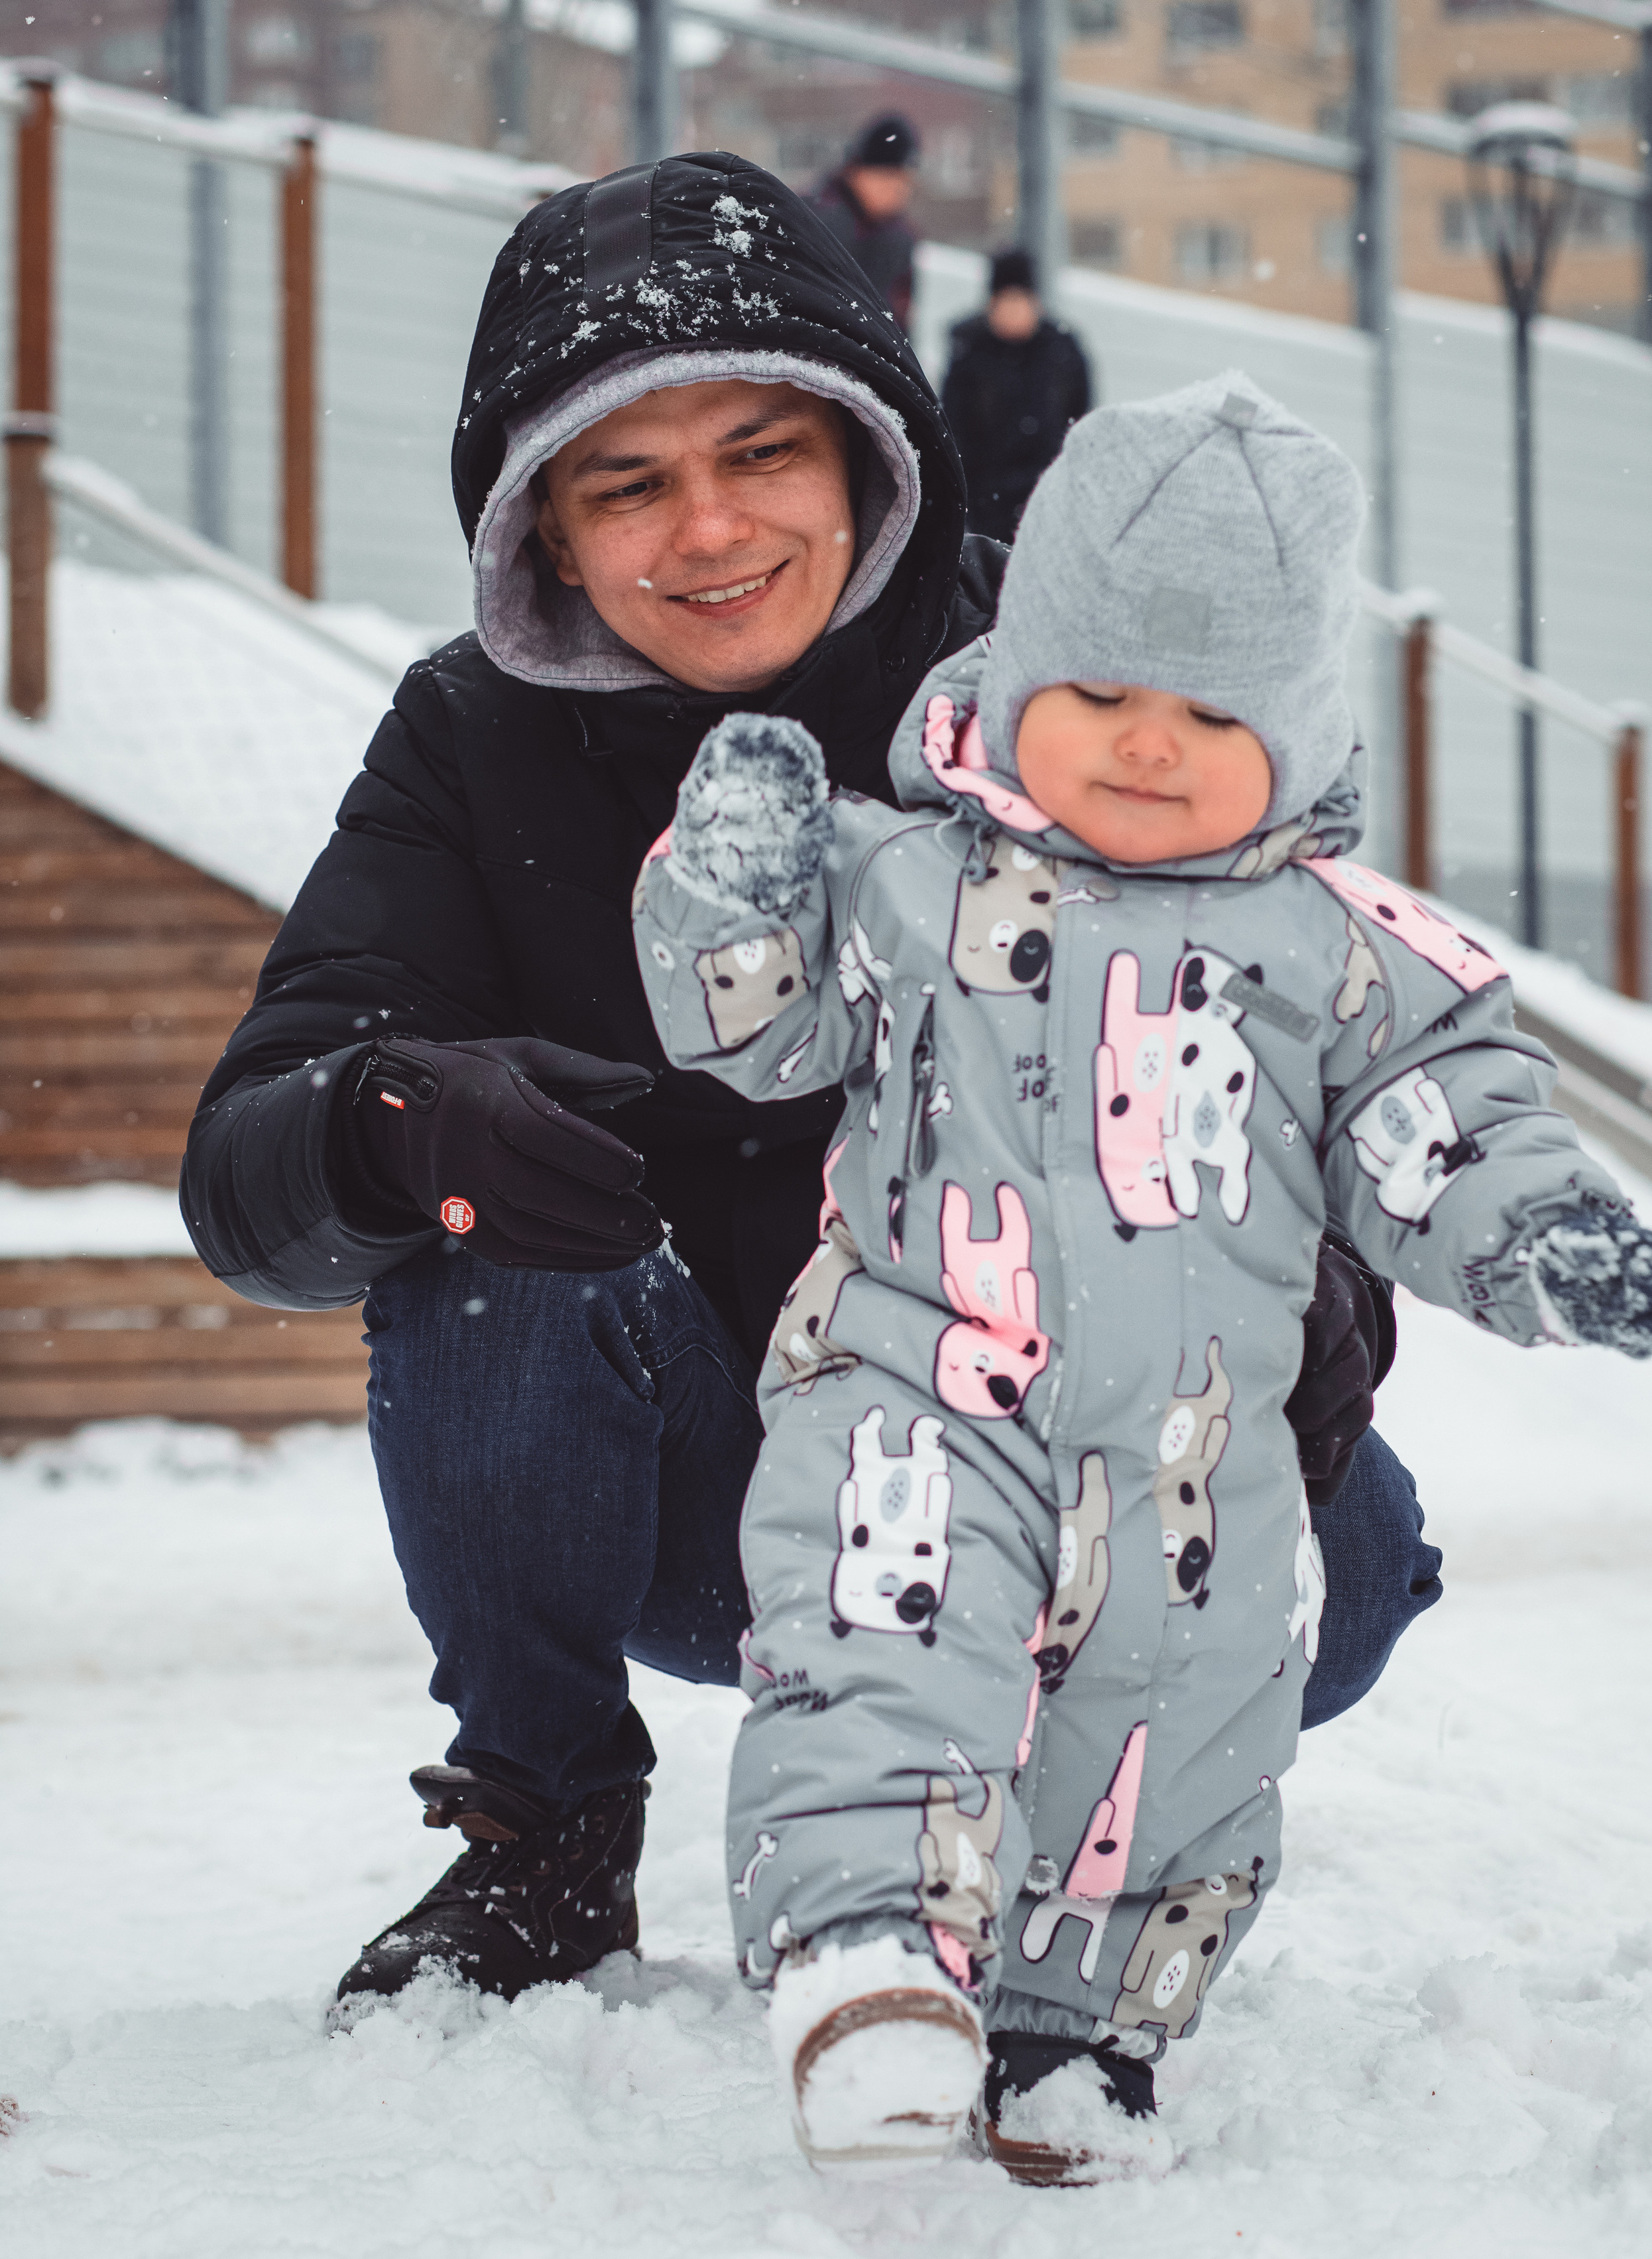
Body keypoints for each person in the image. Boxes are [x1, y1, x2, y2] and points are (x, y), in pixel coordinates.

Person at [180, 158, 1438, 2024]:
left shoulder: (1076, 704)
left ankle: (1039, 1782)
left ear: (866, 450)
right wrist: (398, 1122)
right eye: (628, 479)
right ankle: (545, 1825)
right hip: (707, 1502)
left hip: (1054, 1476)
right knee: (465, 1209)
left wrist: (1318, 1272)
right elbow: (248, 1171)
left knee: (1321, 1535)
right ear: (546, 526)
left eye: (759, 451)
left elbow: (1311, 1041)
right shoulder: (471, 740)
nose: (706, 527)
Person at [631, 373, 1652, 2181]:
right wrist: (735, 885)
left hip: (1198, 1441)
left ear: (1296, 727)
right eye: (1096, 691)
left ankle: (1076, 2033)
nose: (1141, 741)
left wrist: (1532, 1225)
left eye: (1208, 710)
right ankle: (868, 1957)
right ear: (1015, 680)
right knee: (889, 1642)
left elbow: (1446, 1110)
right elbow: (760, 1028)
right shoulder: (908, 884)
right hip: (921, 1382)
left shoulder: (1346, 955)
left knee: (1179, 1723)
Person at [942, 247, 1092, 544]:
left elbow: (1082, 419)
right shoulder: (970, 352)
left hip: (1048, 493)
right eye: (1004, 301)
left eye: (1020, 301)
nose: (1012, 311)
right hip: (986, 500)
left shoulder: (1062, 351)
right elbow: (955, 427)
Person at [809, 113, 921, 332]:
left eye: (904, 180)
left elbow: (901, 319)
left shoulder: (900, 237)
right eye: (886, 177)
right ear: (855, 172)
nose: (896, 189)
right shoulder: (815, 219)